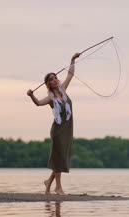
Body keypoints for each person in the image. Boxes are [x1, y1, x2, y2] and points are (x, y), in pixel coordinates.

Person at [27, 52, 81, 195]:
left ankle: (48, 182)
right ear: (48, 84)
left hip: (68, 128)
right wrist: (31, 95)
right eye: (52, 79)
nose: (55, 79)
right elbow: (38, 103)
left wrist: (72, 59)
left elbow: (70, 74)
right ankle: (58, 187)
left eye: (55, 77)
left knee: (62, 156)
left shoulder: (63, 90)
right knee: (59, 157)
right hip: (58, 130)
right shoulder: (50, 98)